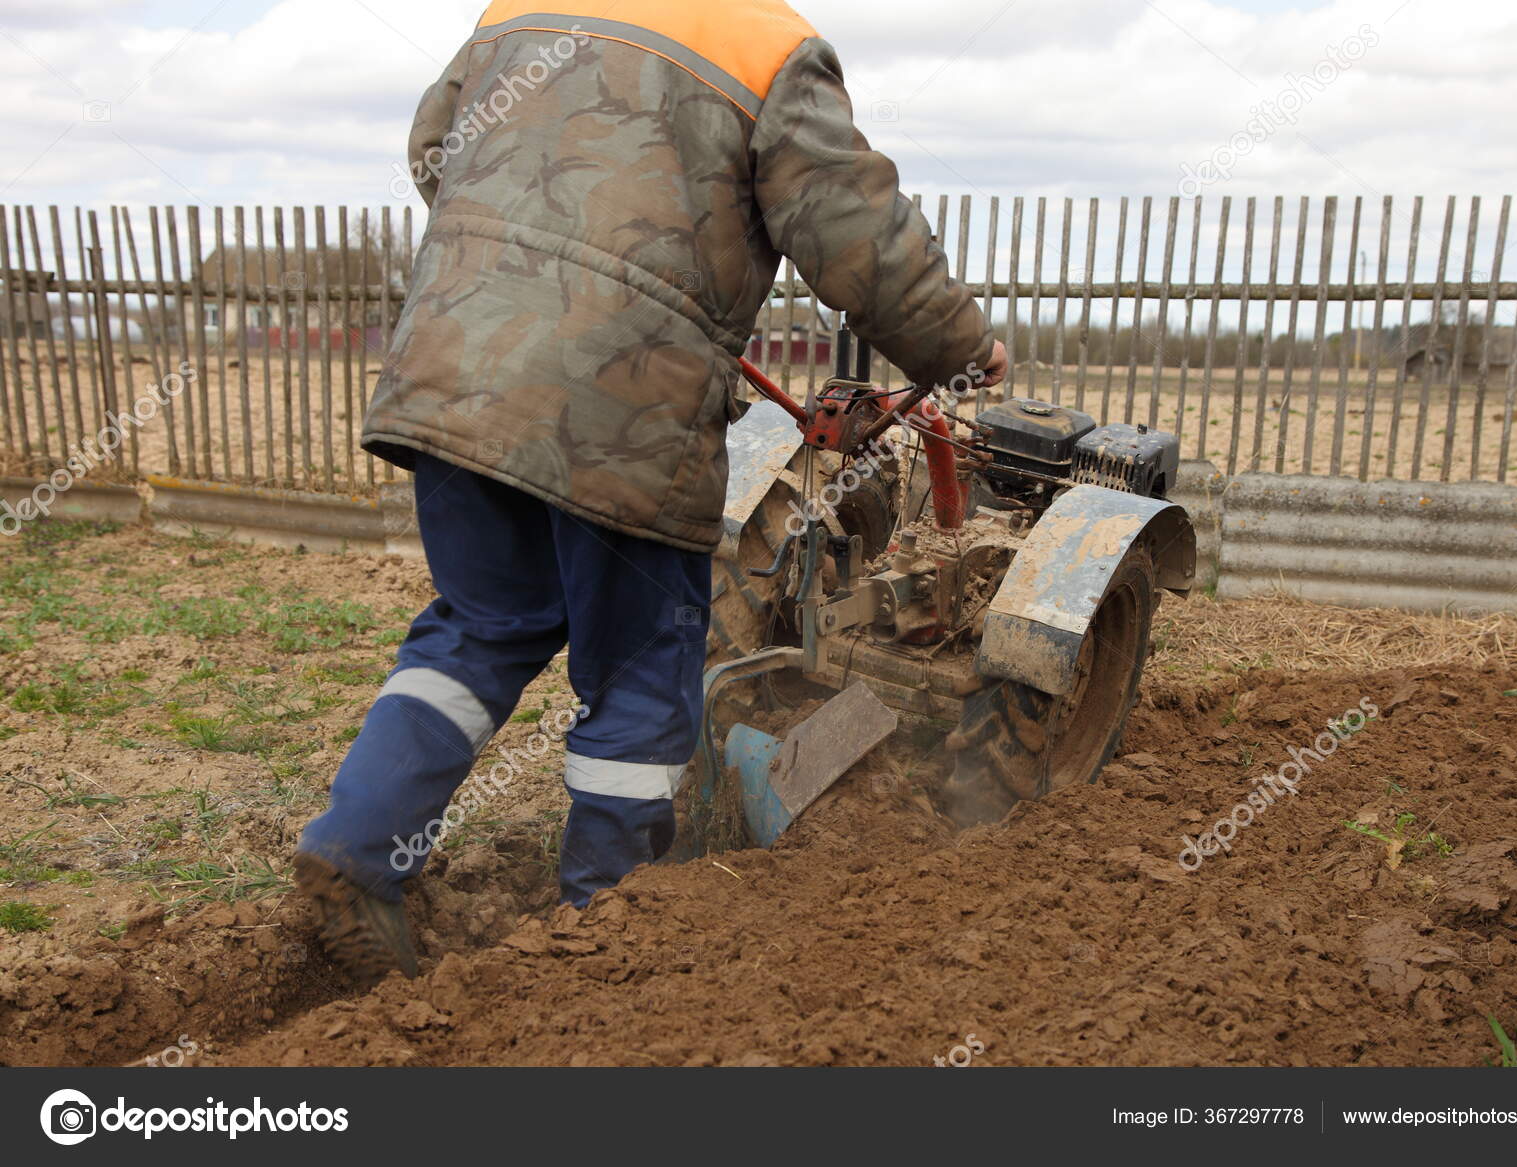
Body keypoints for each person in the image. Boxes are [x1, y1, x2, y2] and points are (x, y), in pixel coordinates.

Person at [293, 0, 1006, 982]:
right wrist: (963, 350)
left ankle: (353, 849)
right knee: (638, 669)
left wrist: (519, 265)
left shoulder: (516, 15)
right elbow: (855, 236)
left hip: (453, 371)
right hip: (622, 404)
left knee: (480, 622)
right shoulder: (765, 45)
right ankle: (604, 935)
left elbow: (433, 152)